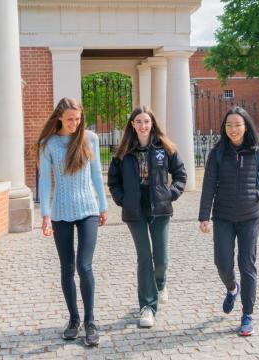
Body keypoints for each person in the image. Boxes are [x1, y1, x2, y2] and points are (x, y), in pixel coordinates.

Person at [198, 106, 259, 336]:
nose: (233, 129)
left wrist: (257, 194)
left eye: (237, 125)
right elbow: (209, 185)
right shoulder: (217, 153)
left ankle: (247, 315)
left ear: (246, 126)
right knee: (222, 262)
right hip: (222, 216)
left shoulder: (257, 151)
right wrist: (204, 215)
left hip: (250, 217)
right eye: (229, 125)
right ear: (224, 128)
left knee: (247, 264)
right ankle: (232, 288)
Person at [37, 97, 108, 347]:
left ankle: (90, 322)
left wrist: (103, 205)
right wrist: (45, 214)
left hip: (88, 209)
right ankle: (74, 319)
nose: (74, 124)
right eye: (69, 119)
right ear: (59, 117)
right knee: (66, 268)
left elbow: (96, 173)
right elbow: (45, 181)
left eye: (77, 119)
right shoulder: (48, 144)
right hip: (60, 213)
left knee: (84, 266)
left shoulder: (90, 139)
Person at [107, 106, 187, 328]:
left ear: (152, 124)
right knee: (144, 257)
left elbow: (180, 174)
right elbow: (113, 181)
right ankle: (147, 307)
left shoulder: (164, 148)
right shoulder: (123, 151)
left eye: (147, 122)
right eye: (139, 122)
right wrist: (122, 199)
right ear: (132, 125)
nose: (143, 126)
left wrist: (170, 194)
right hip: (135, 211)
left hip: (160, 209)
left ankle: (160, 284)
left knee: (160, 259)